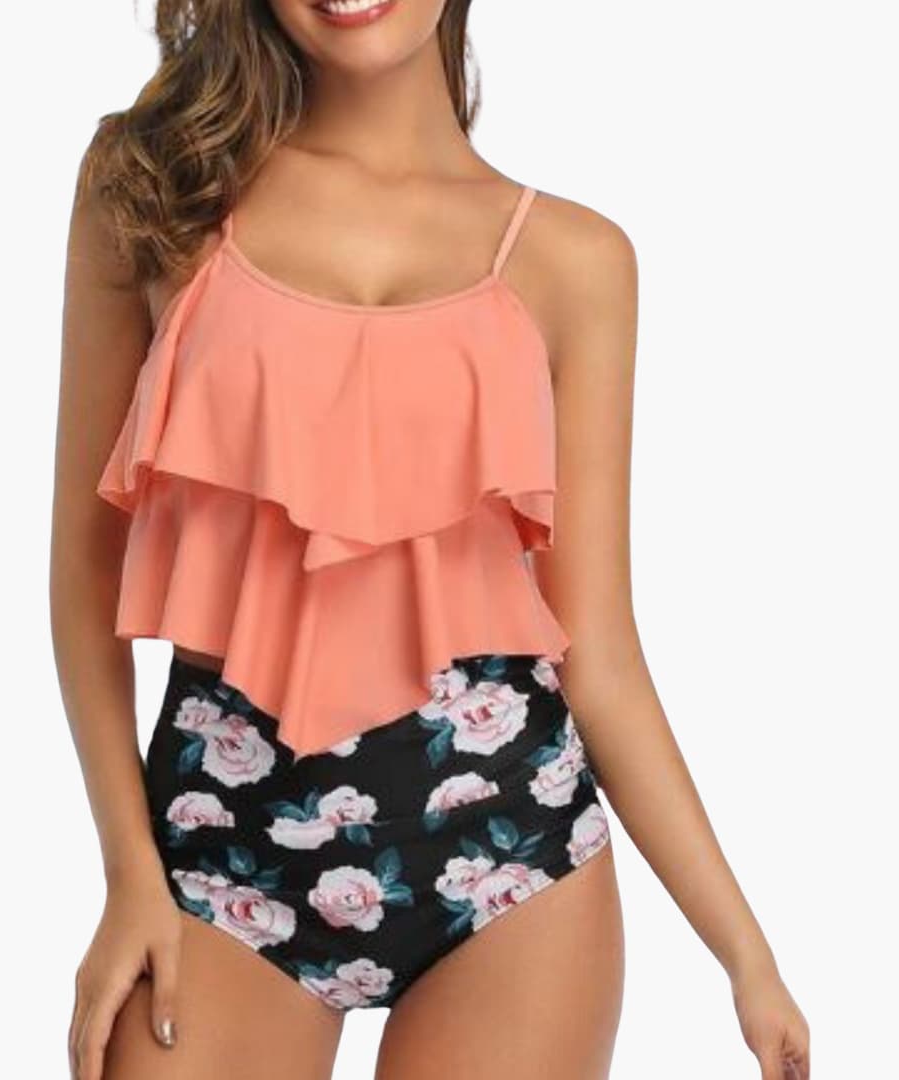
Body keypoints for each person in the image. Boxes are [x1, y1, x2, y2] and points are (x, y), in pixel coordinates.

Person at [50, 3, 810, 1078]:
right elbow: (86, 576)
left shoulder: (575, 261)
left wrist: (745, 954)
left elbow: (597, 650)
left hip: (515, 871)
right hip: (216, 867)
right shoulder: (153, 190)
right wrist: (130, 874)